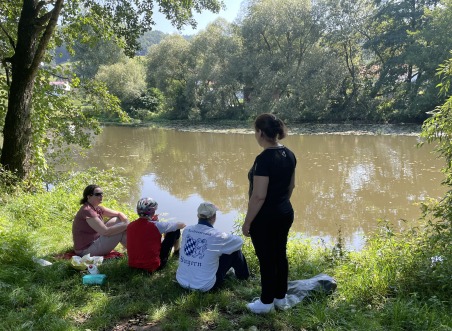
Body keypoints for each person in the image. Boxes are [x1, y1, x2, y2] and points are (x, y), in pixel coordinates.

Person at [242, 113, 297, 314]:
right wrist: (281, 204)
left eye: (255, 132)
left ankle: (266, 302)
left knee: (266, 258)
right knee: (280, 255)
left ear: (260, 132)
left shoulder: (264, 159)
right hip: (284, 212)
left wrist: (247, 222)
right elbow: (291, 186)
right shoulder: (289, 154)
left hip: (265, 218)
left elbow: (258, 196)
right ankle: (280, 298)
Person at [176, 202, 250, 291]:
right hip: (205, 286)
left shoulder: (187, 230)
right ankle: (243, 276)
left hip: (182, 281)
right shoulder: (218, 236)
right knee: (234, 250)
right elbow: (239, 242)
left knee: (217, 251)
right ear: (214, 217)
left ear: (198, 216)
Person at [127, 197, 186, 272]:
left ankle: (176, 252)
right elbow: (182, 225)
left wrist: (153, 221)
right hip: (152, 266)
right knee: (175, 230)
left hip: (133, 265)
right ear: (152, 211)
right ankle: (176, 252)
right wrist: (159, 224)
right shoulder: (157, 225)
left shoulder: (130, 226)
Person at [72, 184, 129, 256]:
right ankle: (136, 251)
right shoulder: (87, 210)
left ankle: (134, 249)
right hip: (85, 251)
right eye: (98, 194)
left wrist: (126, 222)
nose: (101, 196)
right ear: (89, 196)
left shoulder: (97, 208)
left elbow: (118, 213)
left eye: (102, 194)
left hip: (95, 240)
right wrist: (127, 226)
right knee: (119, 231)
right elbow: (105, 232)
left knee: (117, 219)